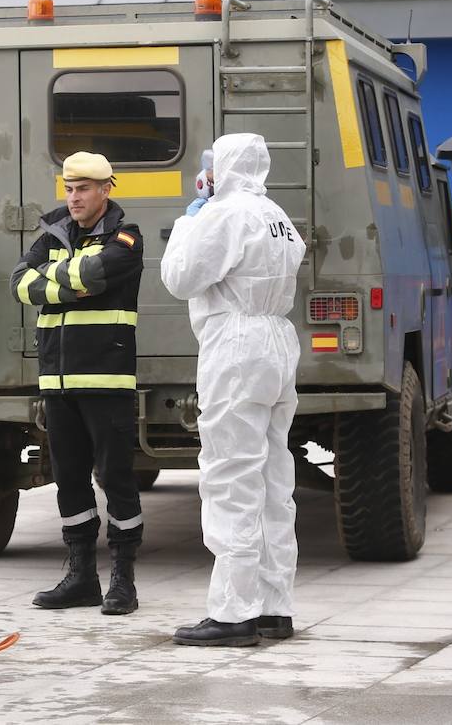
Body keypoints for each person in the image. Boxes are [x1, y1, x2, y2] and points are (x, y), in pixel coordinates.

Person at [160, 134, 306, 647]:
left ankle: (233, 612)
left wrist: (190, 219)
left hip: (237, 345)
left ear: (221, 168)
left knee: (230, 476)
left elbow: (179, 277)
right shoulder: (278, 216)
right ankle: (273, 606)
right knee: (272, 479)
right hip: (277, 342)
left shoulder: (225, 214)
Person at [10, 151, 145, 616]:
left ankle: (123, 580)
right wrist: (72, 283)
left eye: (83, 189)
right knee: (68, 480)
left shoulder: (126, 237)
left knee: (116, 479)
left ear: (106, 190)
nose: (74, 198)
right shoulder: (52, 234)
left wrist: (54, 279)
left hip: (106, 378)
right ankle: (81, 577)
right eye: (69, 189)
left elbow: (98, 272)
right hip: (58, 381)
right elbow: (19, 284)